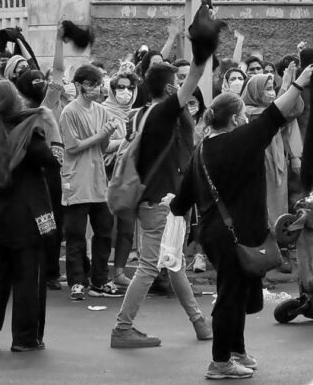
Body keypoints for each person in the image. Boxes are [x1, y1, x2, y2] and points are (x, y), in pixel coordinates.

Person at [170, 63, 313, 380]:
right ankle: (220, 362)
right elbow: (273, 117)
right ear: (237, 119)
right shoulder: (241, 141)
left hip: (217, 233)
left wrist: (171, 205)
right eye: (243, 117)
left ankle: (236, 350)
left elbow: (182, 199)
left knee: (236, 294)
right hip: (232, 235)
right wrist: (299, 84)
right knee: (229, 296)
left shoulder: (202, 149)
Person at [110, 57, 213, 349]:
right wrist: (202, 49)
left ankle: (199, 322)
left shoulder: (143, 113)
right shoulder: (162, 115)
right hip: (160, 202)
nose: (183, 88)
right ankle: (122, 328)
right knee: (149, 267)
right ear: (170, 88)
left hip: (157, 200)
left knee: (174, 262)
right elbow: (195, 73)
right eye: (178, 85)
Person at [0, 81, 60, 352]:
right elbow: (56, 161)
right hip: (26, 219)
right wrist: (54, 126)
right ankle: (26, 338)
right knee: (29, 281)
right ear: (13, 103)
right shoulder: (28, 132)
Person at [60, 65, 123, 300]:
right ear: (78, 85)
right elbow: (73, 146)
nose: (95, 89)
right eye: (90, 84)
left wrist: (108, 134)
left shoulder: (101, 111)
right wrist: (100, 134)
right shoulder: (69, 112)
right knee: (76, 234)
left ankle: (100, 280)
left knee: (104, 232)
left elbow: (103, 147)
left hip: (98, 180)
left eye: (98, 84)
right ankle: (76, 281)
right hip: (76, 178)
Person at [240, 72, 303, 271]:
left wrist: (294, 87)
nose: (270, 92)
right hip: (258, 162)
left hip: (277, 161)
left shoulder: (272, 108)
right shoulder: (249, 112)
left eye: (272, 88)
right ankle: (263, 251)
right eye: (266, 89)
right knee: (261, 206)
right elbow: (275, 115)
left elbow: (294, 111)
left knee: (279, 203)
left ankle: (280, 249)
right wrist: (286, 88)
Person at [102, 72, 138, 287]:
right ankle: (102, 270)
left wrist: (122, 144)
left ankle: (119, 272)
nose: (126, 92)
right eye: (121, 87)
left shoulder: (136, 113)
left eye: (130, 87)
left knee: (127, 226)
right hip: (107, 176)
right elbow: (103, 145)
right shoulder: (103, 111)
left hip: (129, 176)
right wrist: (124, 143)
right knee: (106, 226)